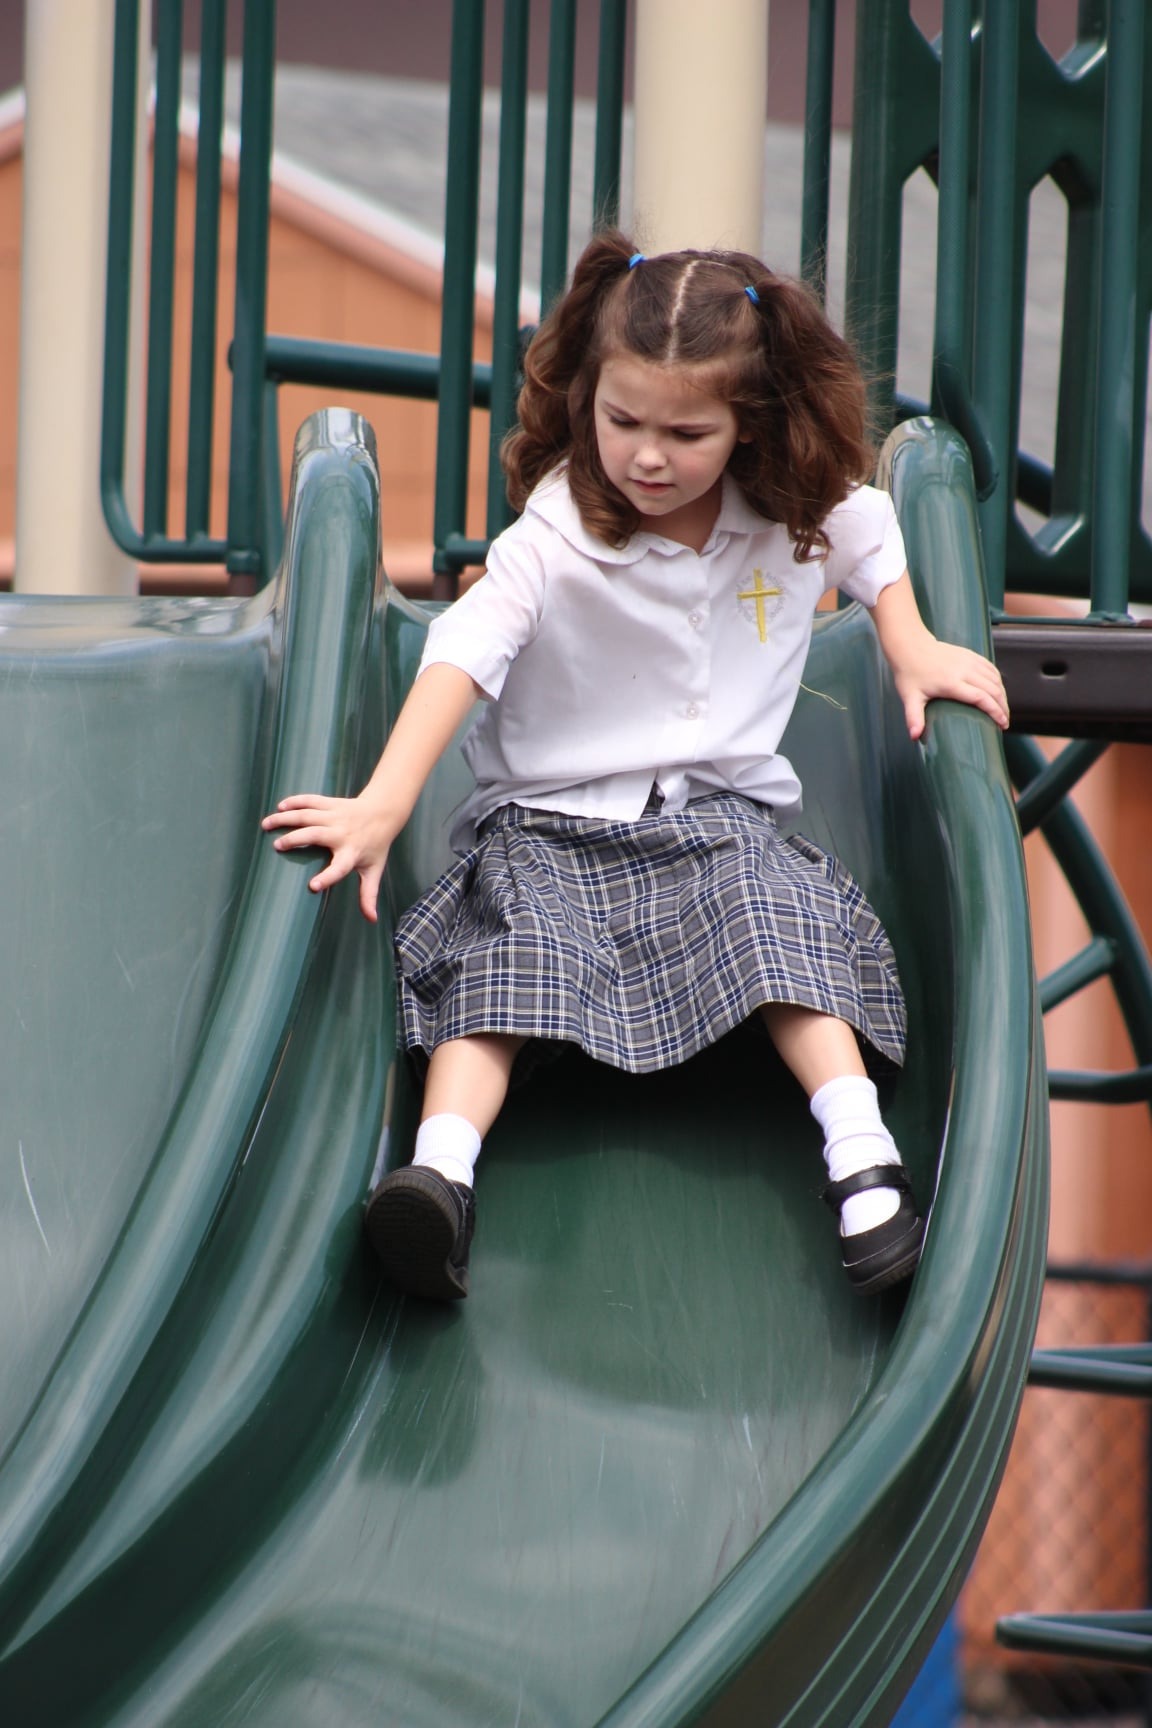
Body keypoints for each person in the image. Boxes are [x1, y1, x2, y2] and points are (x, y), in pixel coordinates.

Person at [263, 231, 1009, 1304]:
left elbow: (875, 531)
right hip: (551, 823)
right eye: (622, 421)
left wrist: (912, 643)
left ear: (749, 423)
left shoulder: (792, 509)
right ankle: (439, 1178)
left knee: (773, 916)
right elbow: (462, 653)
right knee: (509, 958)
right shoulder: (555, 540)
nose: (647, 455)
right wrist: (385, 803)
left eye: (686, 431)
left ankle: (864, 1164)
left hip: (716, 822)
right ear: (586, 401)